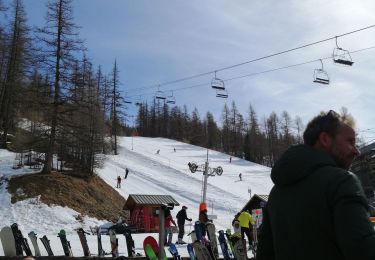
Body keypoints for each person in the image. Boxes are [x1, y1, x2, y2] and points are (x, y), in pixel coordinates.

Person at [257, 110, 375, 260]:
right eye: (350, 142)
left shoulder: (275, 194)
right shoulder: (342, 181)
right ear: (325, 139)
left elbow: (264, 254)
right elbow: (365, 252)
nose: (356, 151)